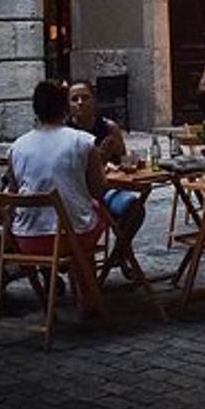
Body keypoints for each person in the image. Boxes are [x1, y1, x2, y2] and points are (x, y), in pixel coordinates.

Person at [7, 80, 107, 315]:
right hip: (72, 238)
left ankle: (54, 295)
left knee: (74, 217)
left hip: (27, 240)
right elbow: (98, 189)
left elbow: (12, 192)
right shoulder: (82, 141)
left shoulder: (17, 147)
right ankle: (87, 298)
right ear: (65, 109)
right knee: (96, 213)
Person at [68, 80, 145, 268]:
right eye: (74, 99)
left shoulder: (108, 127)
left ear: (94, 101)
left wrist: (117, 158)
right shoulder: (66, 132)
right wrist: (98, 159)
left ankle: (119, 252)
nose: (80, 103)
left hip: (106, 189)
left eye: (84, 98)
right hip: (79, 195)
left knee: (135, 208)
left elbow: (123, 162)